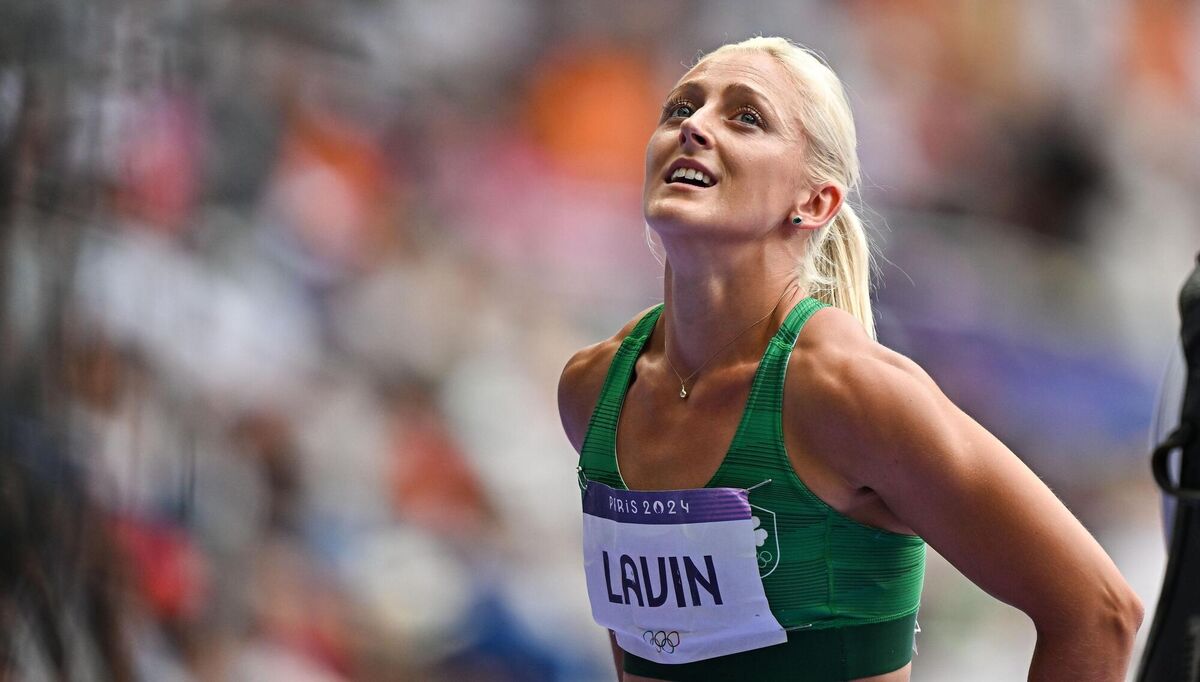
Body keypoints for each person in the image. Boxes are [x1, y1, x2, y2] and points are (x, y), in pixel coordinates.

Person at [557, 36, 1144, 681]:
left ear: (814, 202)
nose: (693, 126)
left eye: (746, 116)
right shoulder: (594, 389)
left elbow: (1100, 612)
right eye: (679, 108)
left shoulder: (847, 393)